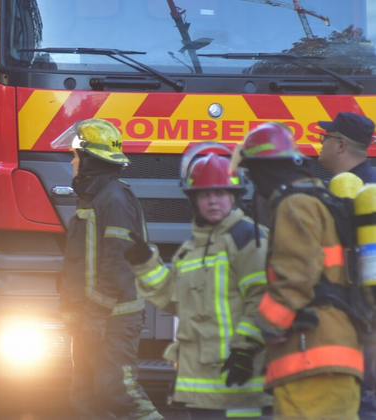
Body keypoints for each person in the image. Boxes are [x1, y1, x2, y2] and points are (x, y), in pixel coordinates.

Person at [124, 148, 272, 419]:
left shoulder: (248, 238)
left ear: (234, 196)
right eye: (205, 194)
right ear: (193, 199)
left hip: (241, 381)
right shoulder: (190, 250)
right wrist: (145, 264)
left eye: (220, 193)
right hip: (201, 387)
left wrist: (245, 351)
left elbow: (265, 301)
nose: (213, 201)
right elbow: (174, 299)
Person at [233, 122, 363, 420]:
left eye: (254, 175)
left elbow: (295, 278)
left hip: (311, 360)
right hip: (337, 357)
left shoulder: (294, 205)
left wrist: (268, 325)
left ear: (265, 171)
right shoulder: (322, 200)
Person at [53, 118, 163, 420]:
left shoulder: (114, 197)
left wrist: (95, 314)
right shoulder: (95, 197)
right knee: (86, 400)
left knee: (119, 392)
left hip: (112, 320)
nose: (73, 162)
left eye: (76, 155)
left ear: (90, 159)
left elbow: (117, 262)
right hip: (93, 321)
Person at [318, 112, 376, 419]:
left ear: (340, 146)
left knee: (361, 400)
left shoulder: (355, 196)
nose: (321, 143)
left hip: (357, 322)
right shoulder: (369, 187)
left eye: (324, 138)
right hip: (358, 320)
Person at [318, 112, 376, 183]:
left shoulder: (361, 190)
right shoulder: (365, 183)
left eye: (326, 137)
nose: (322, 142)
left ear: (341, 146)